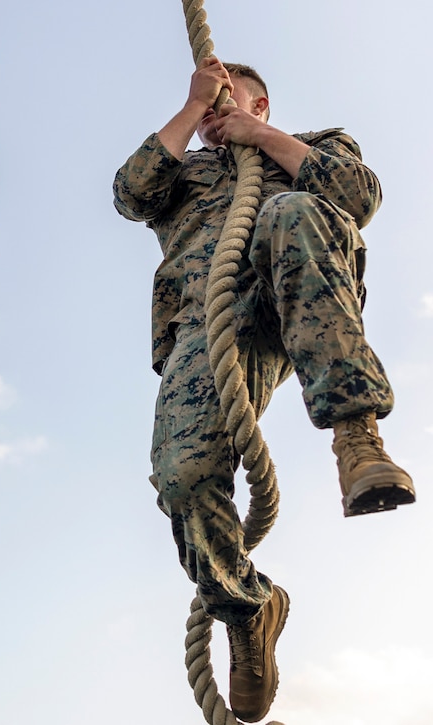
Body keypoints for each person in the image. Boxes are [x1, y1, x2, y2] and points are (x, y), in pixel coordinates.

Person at [113, 57, 415, 723]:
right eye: (210, 99)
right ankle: (247, 608)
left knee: (288, 210)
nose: (219, 107)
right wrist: (193, 111)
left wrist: (260, 139)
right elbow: (131, 192)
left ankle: (357, 440)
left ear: (261, 101)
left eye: (229, 96)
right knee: (183, 477)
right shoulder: (184, 173)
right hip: (208, 321)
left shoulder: (312, 146)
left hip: (295, 284)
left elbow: (357, 195)